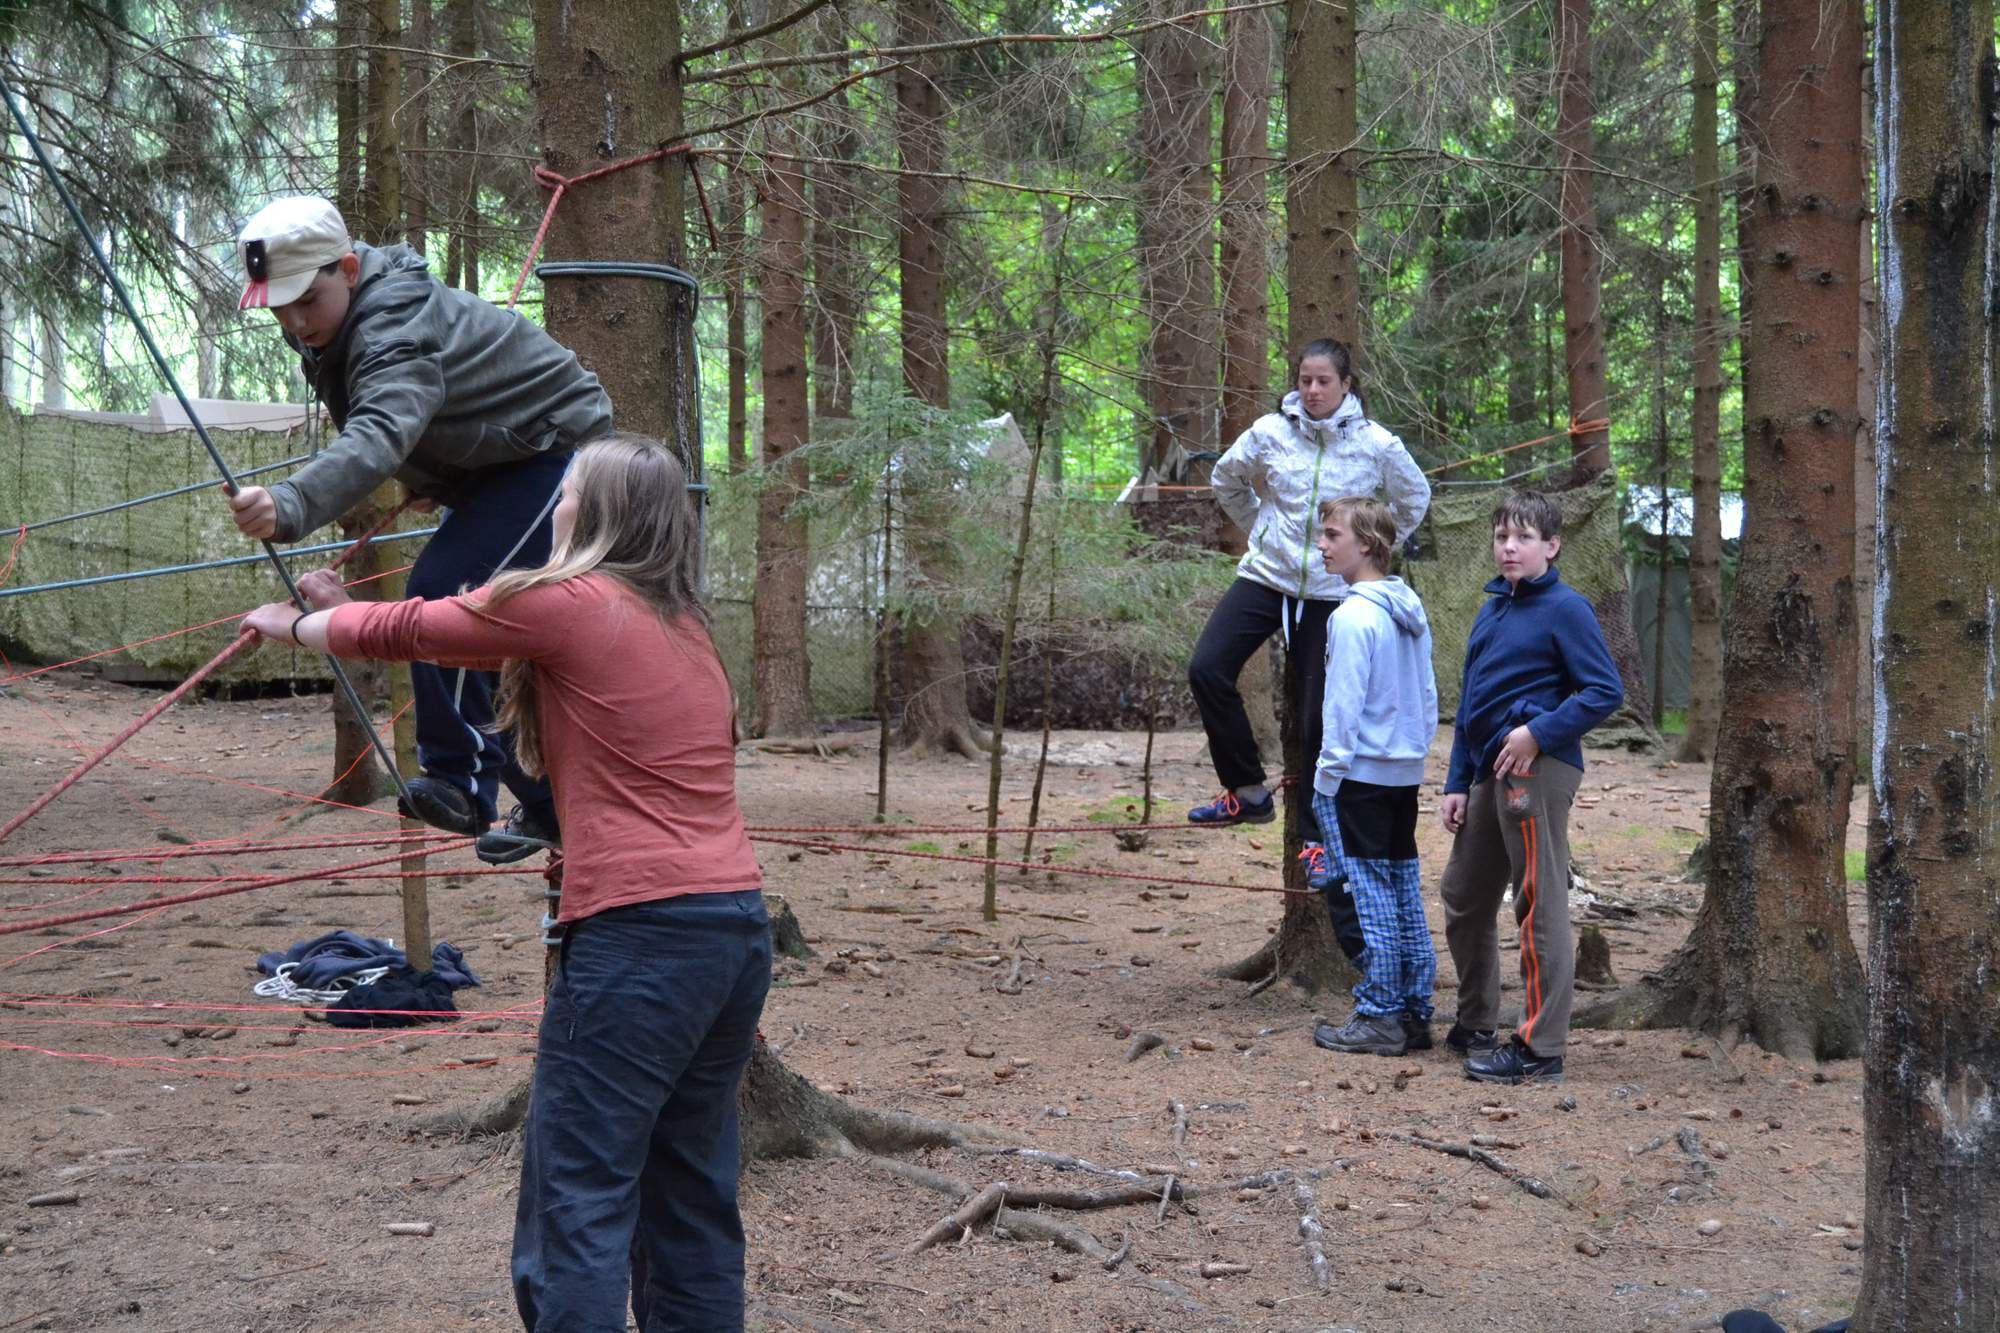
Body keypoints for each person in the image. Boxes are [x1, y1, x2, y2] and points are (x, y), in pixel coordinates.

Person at [242, 437, 770, 1332]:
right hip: (732, 935)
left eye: (566, 492)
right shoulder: (686, 627)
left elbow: (424, 630)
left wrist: (294, 624)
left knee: (580, 1196)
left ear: (595, 513)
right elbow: (469, 641)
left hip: (640, 943)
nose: (553, 507)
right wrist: (344, 609)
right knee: (690, 1193)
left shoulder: (572, 602)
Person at [228, 195, 614, 862]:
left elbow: (380, 430)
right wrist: (437, 474)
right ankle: (551, 806)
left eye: (306, 300)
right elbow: (412, 415)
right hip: (501, 467)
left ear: (349, 269)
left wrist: (290, 503)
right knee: (495, 638)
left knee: (445, 593)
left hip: (560, 453)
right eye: (278, 308)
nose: (294, 322)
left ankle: (460, 782)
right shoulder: (339, 322)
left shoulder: (394, 325)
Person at [1190, 338, 1430, 957]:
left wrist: (1370, 551)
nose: (1314, 390)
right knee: (1207, 668)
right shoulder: (1270, 432)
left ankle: (1320, 843)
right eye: (1305, 380)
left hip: (1330, 592)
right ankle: (1247, 792)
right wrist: (1263, 529)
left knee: (1321, 721)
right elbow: (1226, 478)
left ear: (1347, 385)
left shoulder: (1376, 443)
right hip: (1267, 577)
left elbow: (1414, 497)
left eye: (1325, 381)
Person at [1437, 489, 1622, 1085]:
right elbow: (1471, 706)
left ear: (1552, 546)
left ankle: (1541, 1049)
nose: (1510, 548)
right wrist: (1458, 781)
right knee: (1464, 893)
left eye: (1523, 538)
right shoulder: (1492, 610)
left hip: (1538, 770)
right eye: (1502, 537)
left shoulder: (1567, 608)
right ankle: (1477, 1022)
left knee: (1537, 902)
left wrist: (1538, 733)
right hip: (1487, 771)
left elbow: (1604, 691)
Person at [1301, 497, 1440, 1059]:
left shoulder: (1354, 616)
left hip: (1358, 774)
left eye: (1332, 535)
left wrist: (1327, 775)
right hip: (1402, 771)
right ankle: (1414, 1010)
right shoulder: (1409, 608)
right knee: (1401, 887)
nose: (1322, 544)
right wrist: (1416, 751)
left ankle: (1381, 1013)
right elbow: (1427, 693)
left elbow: (1342, 704)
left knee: (1366, 895)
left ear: (1367, 544)